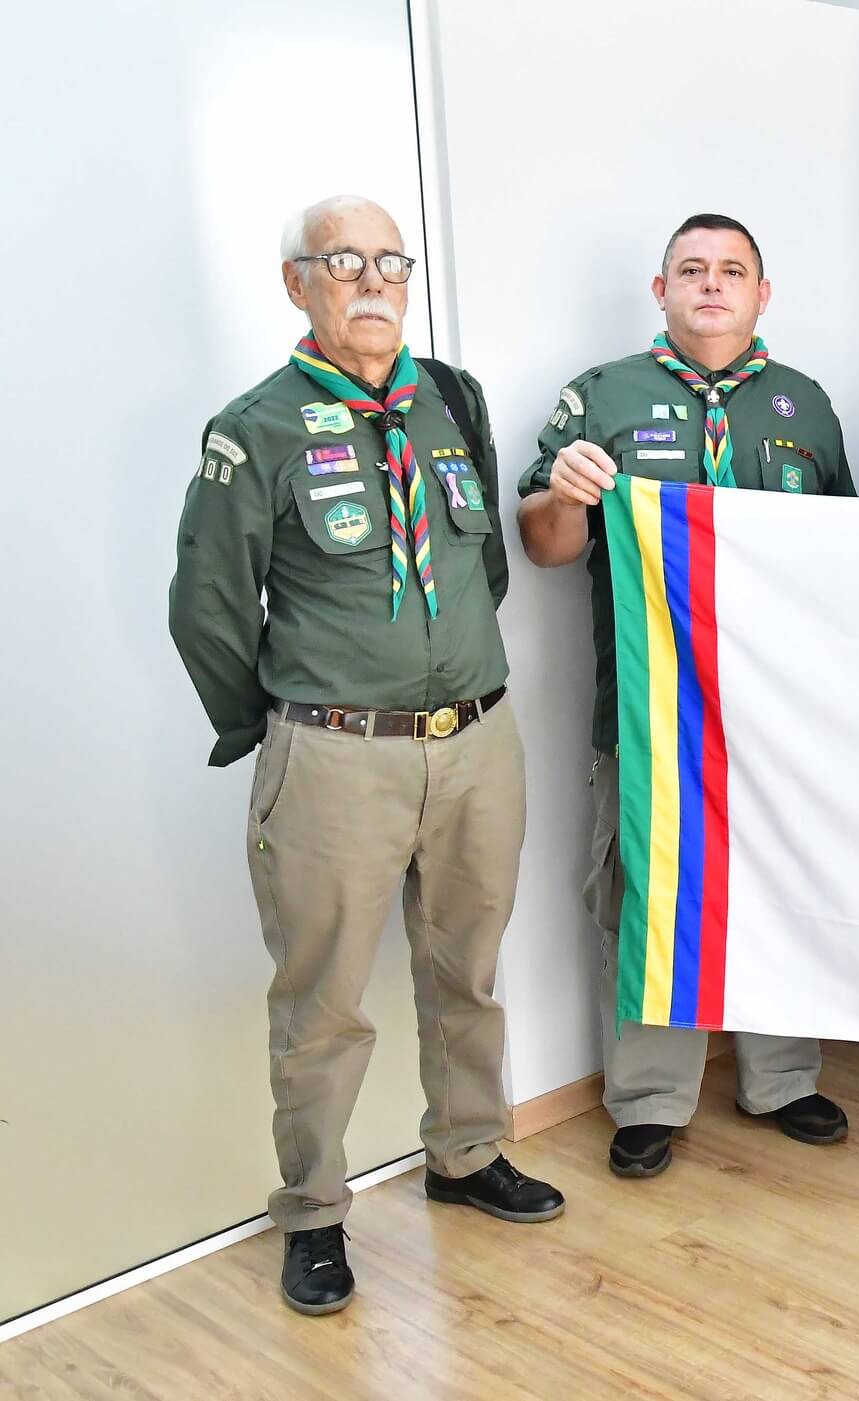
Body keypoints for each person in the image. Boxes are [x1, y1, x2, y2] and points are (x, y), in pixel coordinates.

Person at [169, 195, 564, 1318]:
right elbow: (207, 607)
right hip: (337, 757)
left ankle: (467, 1153)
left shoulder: (451, 398)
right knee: (324, 1001)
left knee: (466, 972)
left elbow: (479, 569)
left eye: (392, 261)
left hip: (477, 743)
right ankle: (313, 1213)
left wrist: (448, 676)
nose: (374, 282)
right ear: (297, 284)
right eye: (344, 262)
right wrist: (286, 727)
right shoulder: (255, 428)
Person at [517, 214, 854, 1179]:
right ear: (660, 289)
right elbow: (544, 546)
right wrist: (566, 495)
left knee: (780, 883)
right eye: (692, 269)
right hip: (648, 705)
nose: (713, 284)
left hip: (777, 713)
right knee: (649, 897)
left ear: (762, 294)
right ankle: (650, 1098)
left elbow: (841, 557)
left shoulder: (804, 404)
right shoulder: (603, 395)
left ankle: (782, 1077)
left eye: (732, 270)